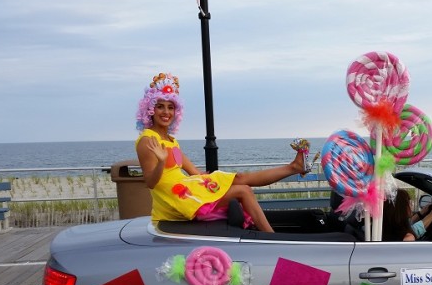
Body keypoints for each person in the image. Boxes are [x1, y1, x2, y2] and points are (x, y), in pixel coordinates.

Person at [135, 73, 315, 232]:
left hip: (187, 188)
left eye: (170, 107)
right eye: (160, 106)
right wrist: (160, 161)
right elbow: (151, 183)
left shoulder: (170, 140)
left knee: (239, 180)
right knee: (243, 190)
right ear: (150, 109)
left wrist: (210, 179)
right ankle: (272, 238)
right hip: (177, 201)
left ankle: (294, 167)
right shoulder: (147, 140)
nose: (166, 112)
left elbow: (194, 172)